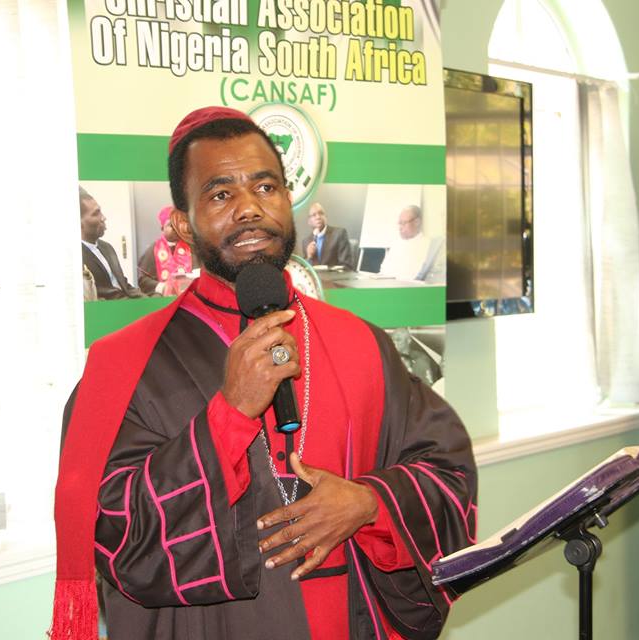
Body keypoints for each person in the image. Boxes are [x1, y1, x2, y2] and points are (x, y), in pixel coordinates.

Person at [51, 107, 477, 640]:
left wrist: (369, 502)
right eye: (221, 194)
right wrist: (228, 413)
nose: (250, 209)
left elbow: (446, 467)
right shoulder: (123, 368)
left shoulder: (361, 342)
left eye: (266, 187)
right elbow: (118, 533)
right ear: (183, 224)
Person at [80, 187, 146, 299]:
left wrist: (146, 299)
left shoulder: (107, 247)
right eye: (96, 214)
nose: (103, 218)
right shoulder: (78, 257)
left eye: (100, 211)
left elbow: (124, 285)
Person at [138, 205, 198, 296]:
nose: (176, 228)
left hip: (188, 297)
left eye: (178, 224)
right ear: (162, 228)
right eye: (171, 225)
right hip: (162, 297)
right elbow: (143, 280)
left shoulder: (192, 248)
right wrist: (163, 287)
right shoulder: (153, 249)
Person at [378, 205, 431, 280]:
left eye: (403, 223)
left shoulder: (428, 246)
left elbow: (416, 277)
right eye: (399, 223)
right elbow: (383, 270)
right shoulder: (396, 244)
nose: (400, 227)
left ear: (417, 222)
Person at [302, 202, 355, 269]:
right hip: (314, 279)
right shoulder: (306, 241)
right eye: (314, 215)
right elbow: (304, 269)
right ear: (309, 221)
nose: (318, 217)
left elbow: (346, 266)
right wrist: (309, 256)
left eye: (321, 213)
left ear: (325, 217)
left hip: (334, 278)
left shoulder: (339, 234)